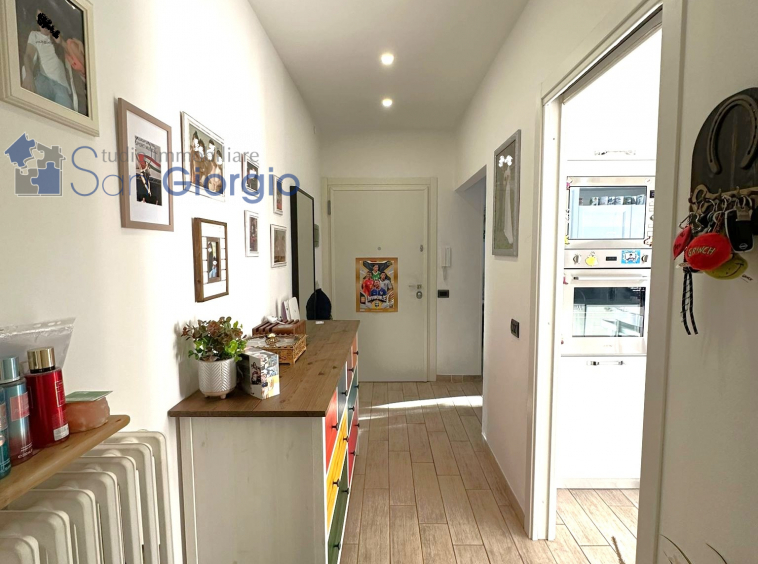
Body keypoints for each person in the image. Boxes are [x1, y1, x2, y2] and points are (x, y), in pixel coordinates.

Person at [22, 10, 78, 111]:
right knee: (35, 110)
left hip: (61, 85)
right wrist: (29, 74)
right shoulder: (34, 35)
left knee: (65, 115)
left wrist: (61, 42)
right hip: (43, 80)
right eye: (39, 18)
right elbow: (28, 55)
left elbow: (74, 56)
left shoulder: (58, 35)